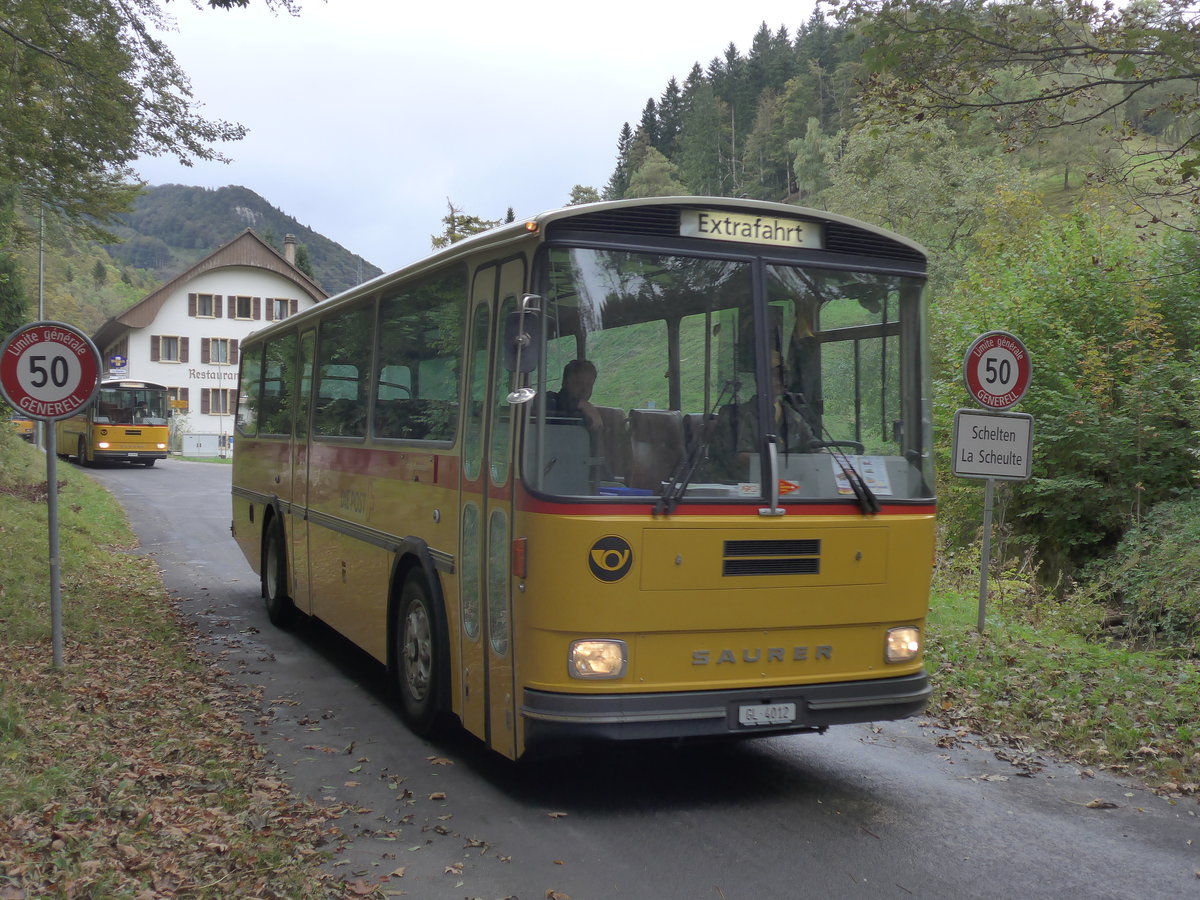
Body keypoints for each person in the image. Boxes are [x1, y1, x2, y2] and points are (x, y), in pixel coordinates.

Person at [545, 359, 602, 431]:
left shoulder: (590, 414)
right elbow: (543, 400)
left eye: (589, 385)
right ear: (565, 383)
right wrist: (579, 403)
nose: (584, 390)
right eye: (579, 383)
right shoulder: (551, 400)